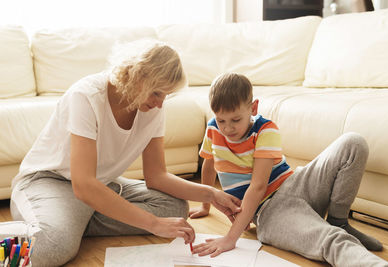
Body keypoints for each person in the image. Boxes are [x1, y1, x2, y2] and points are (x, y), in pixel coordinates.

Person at [9, 41, 241, 266]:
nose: (160, 104)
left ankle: (73, 219)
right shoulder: (86, 96)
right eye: (157, 93)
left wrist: (211, 194)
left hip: (99, 184)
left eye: (165, 96)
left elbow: (157, 176)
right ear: (136, 76)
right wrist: (152, 224)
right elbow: (83, 184)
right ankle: (65, 222)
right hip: (48, 181)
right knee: (52, 247)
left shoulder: (151, 108)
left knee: (174, 208)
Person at [190, 73, 388, 267]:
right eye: (221, 120)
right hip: (270, 211)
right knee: (331, 239)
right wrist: (205, 205)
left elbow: (258, 185)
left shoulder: (264, 130)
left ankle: (338, 221)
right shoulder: (213, 129)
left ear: (253, 108)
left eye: (236, 120)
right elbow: (209, 163)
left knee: (353, 143)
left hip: (296, 184)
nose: (227, 128)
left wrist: (230, 238)